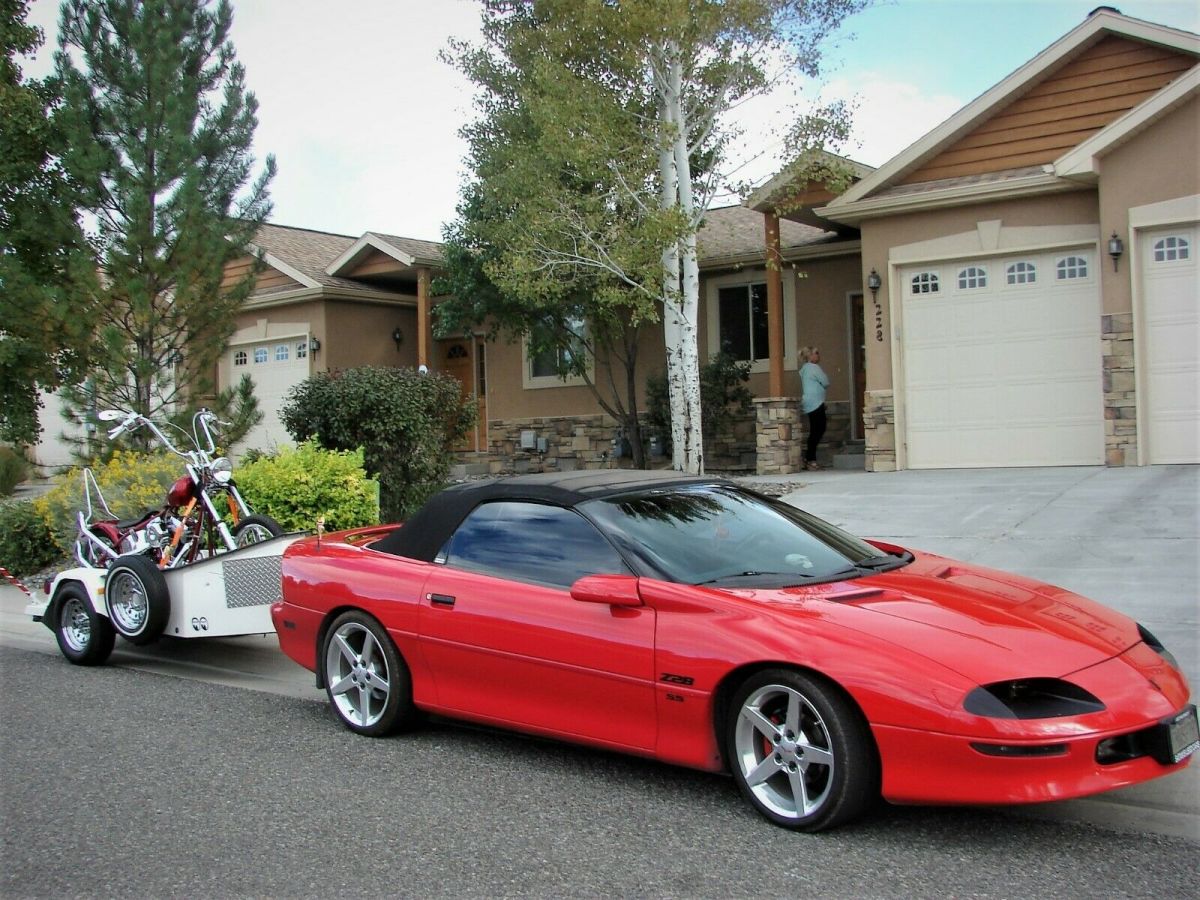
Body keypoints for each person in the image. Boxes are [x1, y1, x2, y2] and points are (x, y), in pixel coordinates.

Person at [799, 346, 829, 471]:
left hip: (809, 402)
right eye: (816, 353)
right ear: (810, 356)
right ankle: (811, 459)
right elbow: (826, 381)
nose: (818, 355)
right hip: (816, 403)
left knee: (815, 430)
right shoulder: (814, 368)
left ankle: (809, 458)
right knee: (819, 429)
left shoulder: (804, 369)